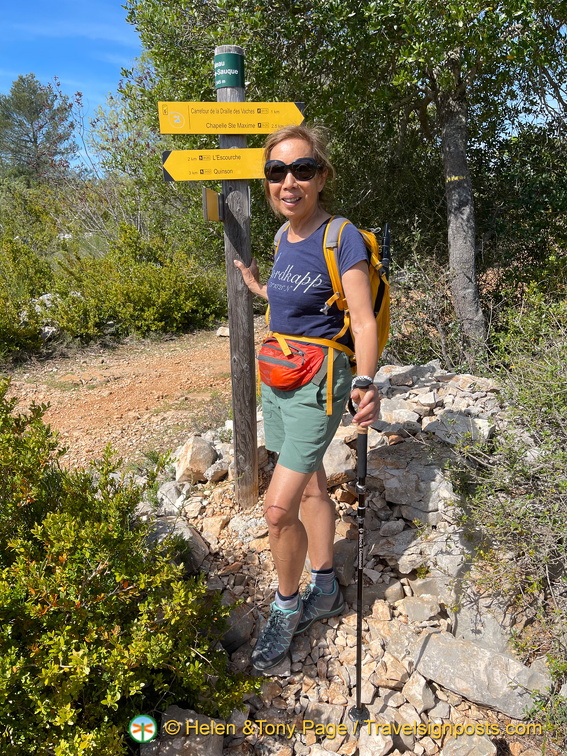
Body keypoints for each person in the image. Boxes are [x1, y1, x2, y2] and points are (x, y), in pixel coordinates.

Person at [234, 124, 380, 672]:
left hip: (319, 382)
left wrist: (366, 382)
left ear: (321, 176)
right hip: (279, 374)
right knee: (313, 482)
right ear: (268, 181)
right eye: (277, 172)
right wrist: (261, 289)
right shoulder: (283, 237)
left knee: (277, 510)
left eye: (302, 169)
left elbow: (362, 321)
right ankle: (326, 587)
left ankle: (287, 605)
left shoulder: (341, 236)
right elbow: (296, 300)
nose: (288, 181)